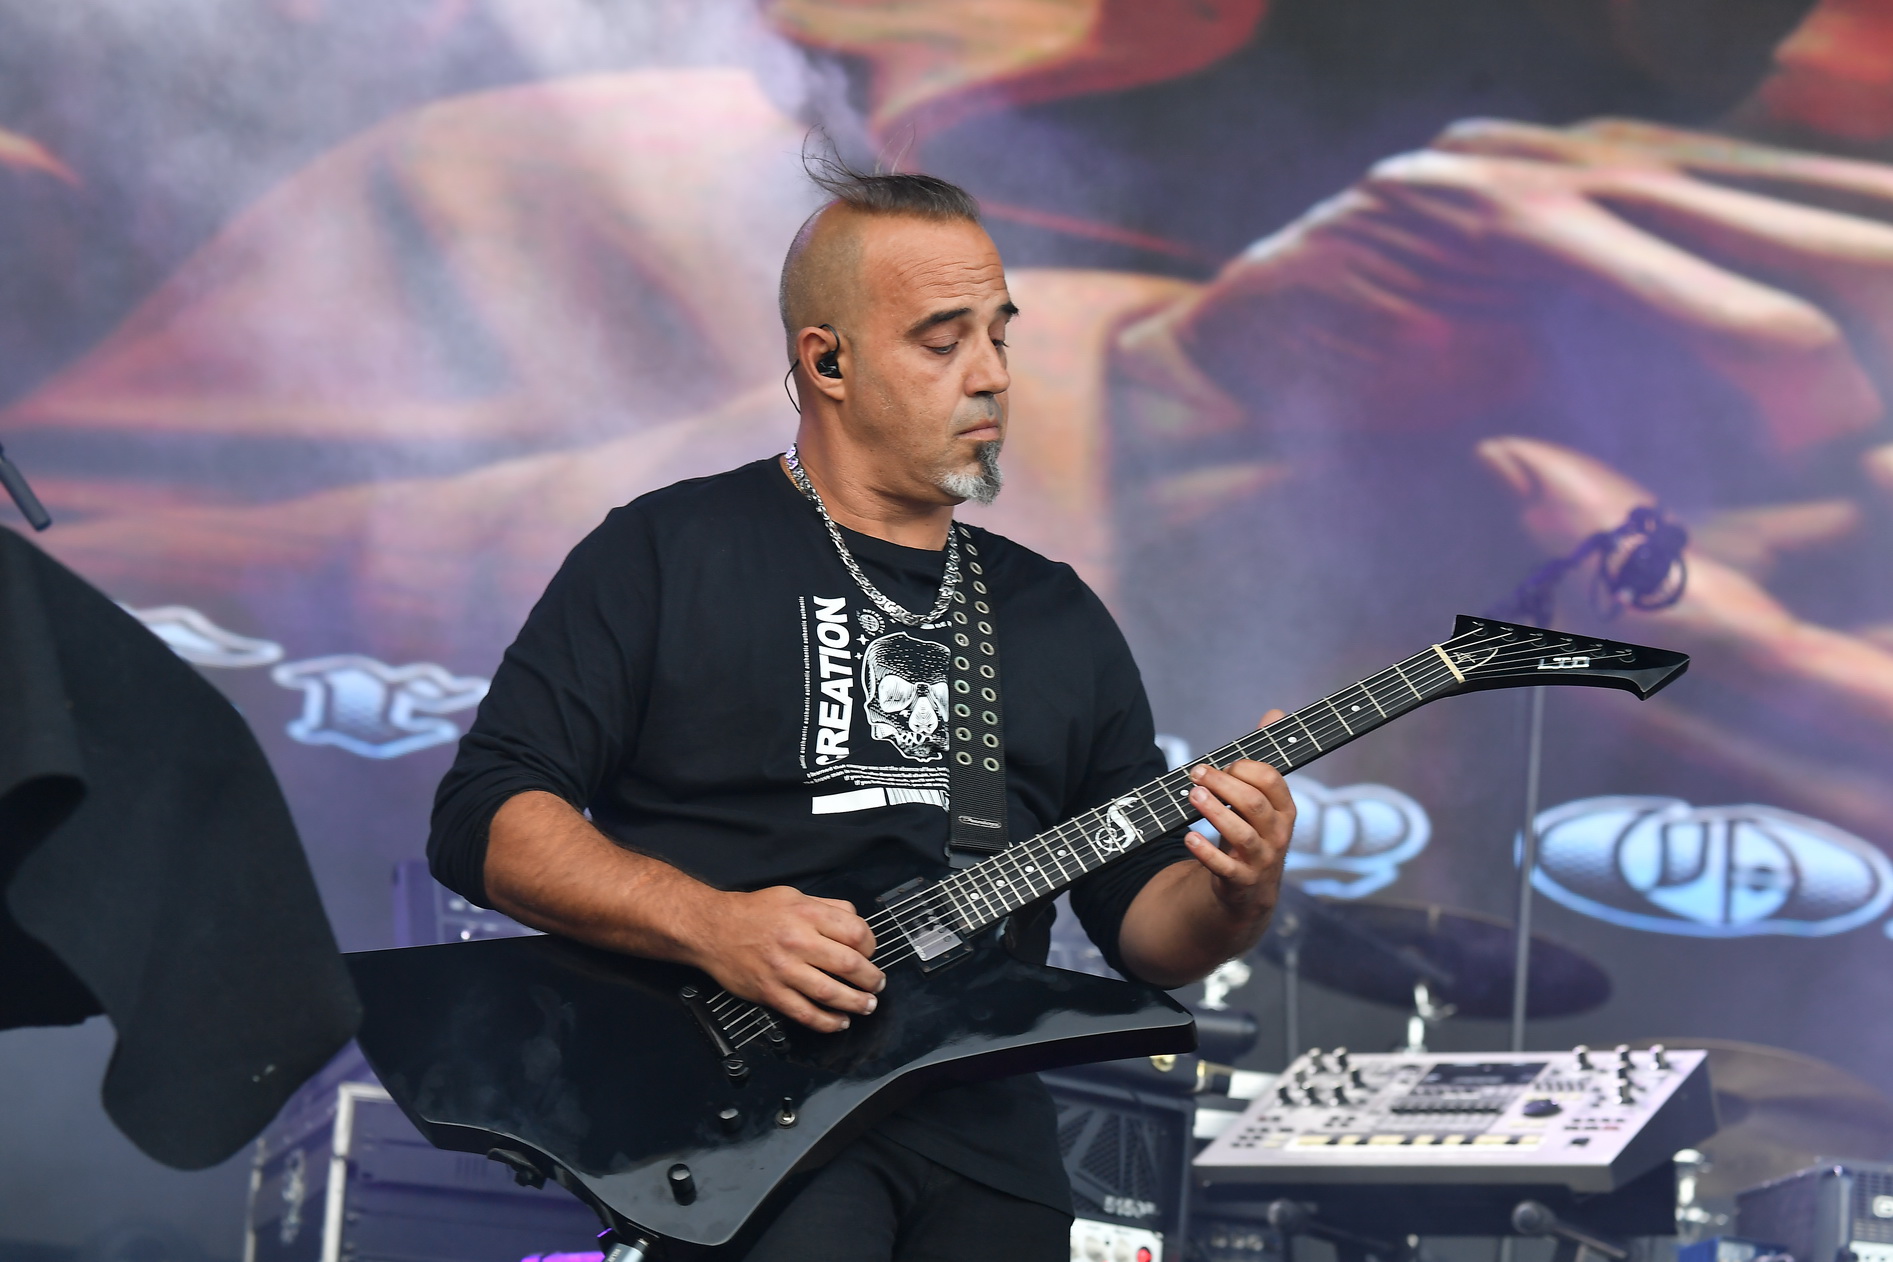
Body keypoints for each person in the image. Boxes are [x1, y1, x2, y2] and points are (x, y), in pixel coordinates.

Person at [425, 163, 1296, 1261]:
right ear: (826, 361)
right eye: (943, 342)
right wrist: (715, 924)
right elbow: (487, 815)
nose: (992, 375)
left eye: (1000, 335)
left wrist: (1239, 891)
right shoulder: (667, 550)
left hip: (992, 1152)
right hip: (744, 1136)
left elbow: (1145, 930)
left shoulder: (1055, 615)